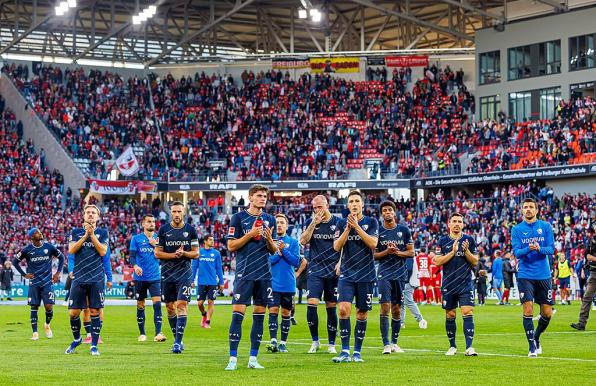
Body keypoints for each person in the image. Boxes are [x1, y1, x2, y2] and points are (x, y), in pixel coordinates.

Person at [225, 184, 278, 370]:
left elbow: (274, 250)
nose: (263, 199)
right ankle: (232, 359)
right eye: (259, 196)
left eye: (265, 196)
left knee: (259, 317)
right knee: (238, 316)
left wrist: (270, 239)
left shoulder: (270, 219)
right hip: (245, 273)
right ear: (250, 198)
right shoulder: (238, 218)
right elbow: (231, 246)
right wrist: (250, 234)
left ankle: (253, 359)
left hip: (264, 274)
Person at [332, 190, 378, 363]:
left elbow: (373, 243)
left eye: (357, 201)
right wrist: (348, 229)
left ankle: (357, 352)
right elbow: (336, 247)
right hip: (347, 274)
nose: (354, 204)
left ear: (362, 204)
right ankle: (344, 351)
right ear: (348, 205)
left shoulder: (371, 222)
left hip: (366, 274)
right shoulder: (341, 223)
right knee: (343, 309)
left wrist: (357, 227)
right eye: (351, 201)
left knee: (361, 313)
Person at [65, 204, 112, 356]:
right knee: (73, 312)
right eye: (88, 212)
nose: (90, 215)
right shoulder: (75, 232)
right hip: (79, 277)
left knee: (94, 311)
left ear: (98, 217)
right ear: (83, 216)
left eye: (93, 213)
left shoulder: (103, 233)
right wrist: (85, 235)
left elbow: (103, 251)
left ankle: (93, 345)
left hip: (96, 278)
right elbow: (71, 250)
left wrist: (92, 235)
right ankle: (77, 338)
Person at [511, 198, 555, 357]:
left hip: (544, 275)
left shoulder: (545, 226)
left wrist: (539, 248)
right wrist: (529, 249)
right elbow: (517, 253)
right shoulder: (516, 229)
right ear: (522, 210)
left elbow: (551, 249)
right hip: (525, 274)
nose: (528, 209)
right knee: (528, 308)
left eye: (531, 207)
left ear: (537, 210)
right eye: (525, 207)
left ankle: (536, 337)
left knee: (547, 313)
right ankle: (531, 347)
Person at [299, 195, 342, 354]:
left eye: (320, 207)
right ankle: (315, 341)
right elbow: (303, 241)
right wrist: (313, 224)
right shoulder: (310, 222)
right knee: (311, 304)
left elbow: (344, 244)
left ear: (327, 205)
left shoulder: (338, 223)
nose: (317, 210)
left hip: (333, 271)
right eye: (315, 208)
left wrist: (341, 262)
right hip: (315, 270)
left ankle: (332, 344)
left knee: (331, 307)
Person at [155, 201, 199, 354]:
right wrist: (174, 255)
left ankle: (177, 343)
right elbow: (157, 253)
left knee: (181, 304)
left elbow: (196, 253)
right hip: (167, 274)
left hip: (184, 274)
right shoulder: (164, 230)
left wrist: (184, 254)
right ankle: (177, 339)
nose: (176, 214)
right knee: (169, 307)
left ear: (184, 212)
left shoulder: (191, 230)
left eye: (179, 212)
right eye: (174, 212)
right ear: (170, 213)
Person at [433, 212, 479, 357]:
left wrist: (465, 252)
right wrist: (452, 252)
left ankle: (469, 347)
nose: (457, 223)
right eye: (455, 221)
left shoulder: (469, 240)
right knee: (450, 314)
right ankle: (452, 346)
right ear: (449, 224)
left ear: (463, 224)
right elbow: (437, 261)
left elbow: (475, 261)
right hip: (448, 284)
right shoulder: (442, 241)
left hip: (465, 284)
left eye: (460, 221)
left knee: (467, 312)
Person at [374, 200, 414, 354]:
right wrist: (387, 252)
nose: (387, 212)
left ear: (394, 212)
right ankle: (386, 344)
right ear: (382, 213)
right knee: (385, 307)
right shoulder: (378, 232)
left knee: (396, 309)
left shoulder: (404, 230)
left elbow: (411, 252)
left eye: (390, 210)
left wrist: (397, 252)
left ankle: (394, 343)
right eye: (384, 210)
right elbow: (374, 255)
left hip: (399, 274)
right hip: (384, 273)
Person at [13, 228, 65, 340]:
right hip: (34, 283)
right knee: (34, 306)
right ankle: (35, 333)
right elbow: (15, 262)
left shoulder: (49, 247)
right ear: (32, 237)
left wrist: (57, 273)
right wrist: (24, 274)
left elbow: (61, 257)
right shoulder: (27, 250)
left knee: (49, 306)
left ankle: (47, 324)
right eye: (37, 233)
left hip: (47, 283)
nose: (40, 233)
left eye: (39, 231)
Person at [266, 214, 306, 353]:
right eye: (277, 222)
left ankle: (283, 342)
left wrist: (283, 250)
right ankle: (273, 341)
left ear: (287, 225)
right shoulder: (269, 241)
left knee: (286, 312)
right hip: (272, 283)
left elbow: (296, 261)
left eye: (282, 222)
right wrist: (278, 253)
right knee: (273, 311)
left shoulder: (293, 242)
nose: (279, 225)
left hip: (288, 283)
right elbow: (268, 261)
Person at [129, 214, 166, 342]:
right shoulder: (136, 239)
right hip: (140, 277)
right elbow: (132, 256)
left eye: (153, 221)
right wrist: (135, 266)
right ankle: (142, 333)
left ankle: (158, 333)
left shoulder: (159, 239)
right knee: (140, 304)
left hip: (155, 277)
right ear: (143, 224)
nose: (152, 224)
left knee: (157, 304)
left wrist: (155, 245)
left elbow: (163, 256)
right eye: (149, 221)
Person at [191, 234, 225, 329]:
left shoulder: (216, 253)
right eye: (210, 240)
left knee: (211, 302)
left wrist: (221, 282)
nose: (212, 241)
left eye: (213, 240)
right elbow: (194, 268)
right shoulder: (199, 252)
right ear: (205, 241)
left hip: (212, 282)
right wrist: (192, 280)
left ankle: (207, 322)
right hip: (201, 282)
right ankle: (204, 314)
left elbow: (219, 269)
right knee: (200, 303)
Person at [570, 227, 596, 330]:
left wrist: (592, 257)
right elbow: (586, 255)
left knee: (587, 297)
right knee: (586, 297)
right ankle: (581, 323)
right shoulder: (592, 240)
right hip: (594, 273)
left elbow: (589, 256)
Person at [401, 251, 428, 329]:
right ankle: (400, 322)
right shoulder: (409, 255)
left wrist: (404, 280)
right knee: (401, 303)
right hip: (407, 281)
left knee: (408, 302)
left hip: (408, 282)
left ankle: (421, 320)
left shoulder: (409, 255)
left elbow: (408, 269)